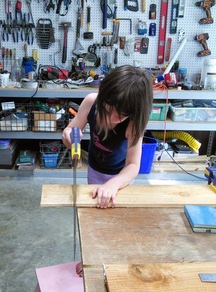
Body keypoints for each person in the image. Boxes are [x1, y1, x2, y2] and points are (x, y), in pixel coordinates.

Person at [62, 65, 153, 209]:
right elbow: (70, 129)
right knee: (95, 210)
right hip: (94, 170)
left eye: (120, 116)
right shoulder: (91, 102)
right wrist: (68, 137)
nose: (111, 118)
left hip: (122, 178)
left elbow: (133, 165)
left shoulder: (134, 122)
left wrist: (114, 184)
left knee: (117, 215)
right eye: (106, 110)